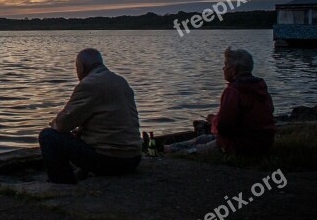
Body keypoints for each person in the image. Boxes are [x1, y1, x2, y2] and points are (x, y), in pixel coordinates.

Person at [38, 49, 142, 184]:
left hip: (112, 162)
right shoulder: (121, 81)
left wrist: (55, 126)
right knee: (81, 135)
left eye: (76, 68)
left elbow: (62, 124)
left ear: (80, 67)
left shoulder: (89, 84)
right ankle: (81, 173)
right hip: (134, 159)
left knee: (48, 136)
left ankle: (61, 183)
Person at [165, 47, 276, 156]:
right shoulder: (260, 86)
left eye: (226, 65)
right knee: (203, 138)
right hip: (265, 143)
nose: (223, 68)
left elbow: (223, 127)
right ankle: (166, 148)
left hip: (240, 146)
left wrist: (213, 120)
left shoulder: (233, 91)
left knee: (192, 150)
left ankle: (166, 151)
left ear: (234, 69)